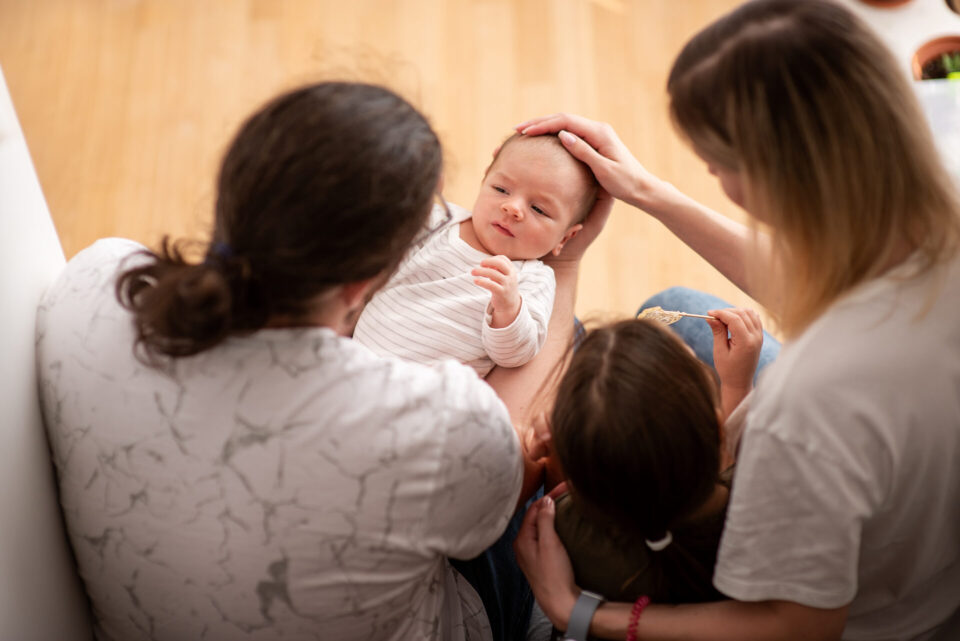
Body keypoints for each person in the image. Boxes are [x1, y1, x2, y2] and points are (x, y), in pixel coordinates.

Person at [35, 81, 611, 641]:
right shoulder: (440, 423)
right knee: (569, 344)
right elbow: (502, 464)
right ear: (368, 280)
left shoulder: (95, 280)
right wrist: (566, 265)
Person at [512, 0, 960, 639]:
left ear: (782, 181)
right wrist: (647, 191)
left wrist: (577, 611)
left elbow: (797, 623)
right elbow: (828, 281)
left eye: (717, 166)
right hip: (894, 491)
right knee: (682, 309)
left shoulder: (809, 410)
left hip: (870, 609)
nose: (712, 176)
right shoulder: (932, 195)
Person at [545, 309, 762, 609]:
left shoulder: (568, 530)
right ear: (719, 430)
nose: (689, 347)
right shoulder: (759, 497)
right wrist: (738, 387)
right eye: (692, 358)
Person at [354, 133, 597, 377]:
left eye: (538, 209)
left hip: (426, 394)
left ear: (565, 238)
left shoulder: (533, 278)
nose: (512, 208)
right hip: (355, 357)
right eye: (501, 189)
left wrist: (509, 309)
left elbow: (516, 354)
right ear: (484, 180)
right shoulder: (438, 221)